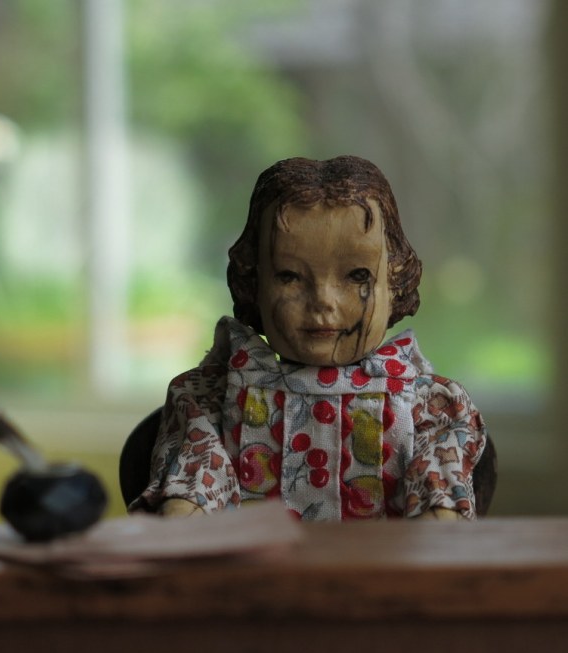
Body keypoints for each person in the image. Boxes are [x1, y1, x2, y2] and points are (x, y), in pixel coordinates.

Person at [130, 155, 488, 521]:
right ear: (254, 281)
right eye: (289, 276)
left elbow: (439, 483)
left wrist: (438, 519)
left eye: (357, 276)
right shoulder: (215, 398)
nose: (323, 301)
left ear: (394, 279)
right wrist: (185, 511)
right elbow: (198, 470)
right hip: (253, 560)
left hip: (384, 559)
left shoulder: (428, 406)